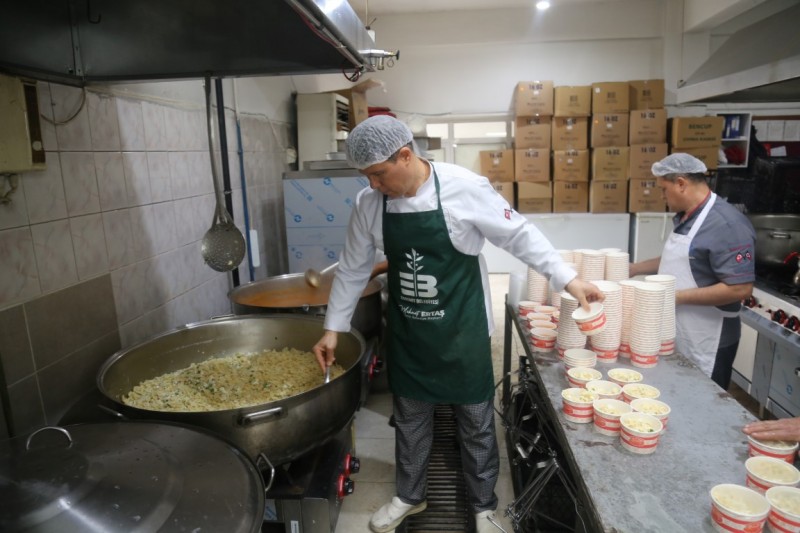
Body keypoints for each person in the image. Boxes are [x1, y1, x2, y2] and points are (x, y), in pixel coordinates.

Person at [312, 115, 604, 533]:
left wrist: (569, 279)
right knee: (410, 421)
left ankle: (483, 506)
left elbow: (519, 235)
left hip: (462, 330)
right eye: (366, 177)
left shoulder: (463, 188)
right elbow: (354, 268)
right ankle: (410, 495)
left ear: (405, 156)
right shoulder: (369, 203)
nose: (373, 185)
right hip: (410, 332)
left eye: (378, 174)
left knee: (476, 423)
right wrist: (332, 329)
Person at [629, 153, 755, 390]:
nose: (661, 196)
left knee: (704, 401)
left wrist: (675, 297)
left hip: (709, 338)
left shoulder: (728, 225)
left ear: (681, 183)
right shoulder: (687, 216)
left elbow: (740, 288)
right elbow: (680, 259)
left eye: (663, 189)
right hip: (681, 329)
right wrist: (634, 269)